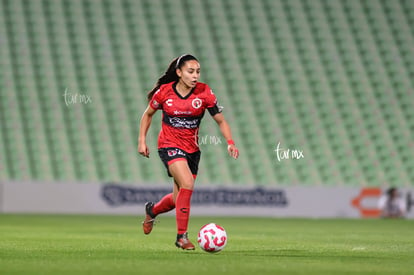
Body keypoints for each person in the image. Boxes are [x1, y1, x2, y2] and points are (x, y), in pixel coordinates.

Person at [137, 54, 239, 250]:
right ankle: (181, 237)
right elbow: (148, 114)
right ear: (179, 73)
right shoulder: (165, 92)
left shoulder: (204, 92)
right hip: (168, 145)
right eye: (190, 71)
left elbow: (220, 119)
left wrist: (230, 142)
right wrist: (142, 140)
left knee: (178, 200)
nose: (195, 76)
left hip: (192, 149)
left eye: (198, 72)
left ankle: (152, 210)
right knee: (188, 183)